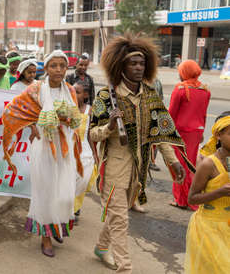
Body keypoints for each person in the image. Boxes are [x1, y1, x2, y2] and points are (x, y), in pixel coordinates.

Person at [90, 34, 188, 273]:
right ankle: (125, 268)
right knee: (121, 219)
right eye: (132, 63)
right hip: (114, 167)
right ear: (121, 65)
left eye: (141, 63)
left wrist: (173, 161)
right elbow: (92, 134)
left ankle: (101, 247)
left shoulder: (150, 95)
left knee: (118, 215)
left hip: (138, 169)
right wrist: (110, 127)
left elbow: (161, 132)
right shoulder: (106, 96)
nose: (137, 67)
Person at [2, 50, 83, 257]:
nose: (58, 70)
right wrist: (32, 125)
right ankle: (46, 236)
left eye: (62, 66)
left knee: (64, 192)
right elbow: (12, 110)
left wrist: (67, 121)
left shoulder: (71, 91)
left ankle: (56, 226)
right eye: (53, 66)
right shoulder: (36, 89)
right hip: (43, 146)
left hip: (64, 145)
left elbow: (76, 117)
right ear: (45, 69)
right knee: (46, 191)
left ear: (67, 68)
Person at [184, 111, 230, 274]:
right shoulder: (209, 164)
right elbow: (192, 198)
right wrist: (220, 192)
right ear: (218, 135)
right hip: (209, 228)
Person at [168, 60, 210, 210]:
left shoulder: (180, 89)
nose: (179, 74)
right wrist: (202, 131)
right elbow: (203, 115)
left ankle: (181, 200)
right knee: (190, 164)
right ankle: (191, 198)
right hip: (196, 131)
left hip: (180, 133)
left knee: (179, 165)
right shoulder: (205, 90)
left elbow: (171, 114)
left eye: (180, 71)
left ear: (184, 72)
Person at [73, 82, 98, 224]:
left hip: (84, 150)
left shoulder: (89, 110)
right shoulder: (67, 109)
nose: (74, 94)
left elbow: (89, 134)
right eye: (72, 91)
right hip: (69, 149)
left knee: (82, 179)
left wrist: (94, 153)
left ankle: (76, 208)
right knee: (69, 181)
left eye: (77, 92)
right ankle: (69, 210)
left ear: (85, 95)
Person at [148, 78, 164, 172]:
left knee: (155, 141)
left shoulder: (157, 81)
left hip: (155, 115)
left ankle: (151, 162)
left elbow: (160, 99)